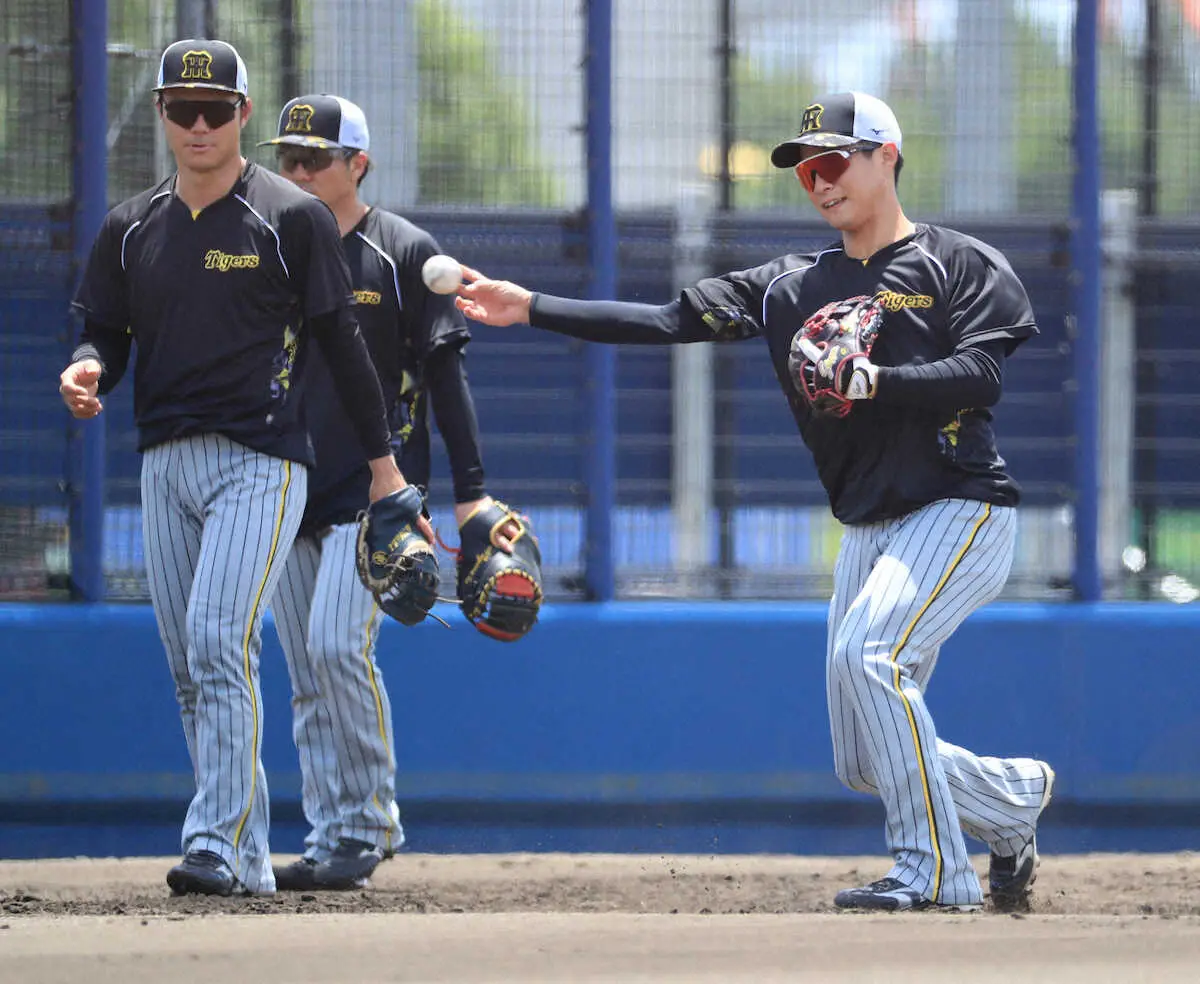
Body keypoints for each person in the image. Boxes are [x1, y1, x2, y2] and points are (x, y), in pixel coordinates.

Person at [452, 91, 1055, 912]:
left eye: (836, 160)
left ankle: (935, 871)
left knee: (868, 659)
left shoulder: (959, 263)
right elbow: (669, 319)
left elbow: (983, 372)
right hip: (869, 529)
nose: (820, 179)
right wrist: (532, 306)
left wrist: (877, 380)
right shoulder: (789, 286)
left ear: (888, 156)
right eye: (808, 168)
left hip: (962, 508)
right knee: (863, 757)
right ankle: (1012, 801)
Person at [58, 41, 428, 897]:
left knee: (222, 640)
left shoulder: (287, 217)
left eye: (215, 108)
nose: (197, 123)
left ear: (242, 115)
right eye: (181, 108)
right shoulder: (130, 225)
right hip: (165, 461)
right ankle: (249, 856)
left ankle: (217, 845)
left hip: (263, 461)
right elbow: (104, 333)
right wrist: (88, 367)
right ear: (159, 113)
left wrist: (384, 475)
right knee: (189, 660)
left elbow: (342, 343)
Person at [258, 94, 514, 890]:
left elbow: (446, 377)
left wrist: (471, 494)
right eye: (287, 159)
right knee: (306, 667)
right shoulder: (268, 249)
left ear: (357, 165)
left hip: (379, 492)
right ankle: (336, 829)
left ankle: (366, 823)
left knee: (339, 646)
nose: (297, 172)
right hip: (285, 483)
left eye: (314, 159)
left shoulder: (404, 252)